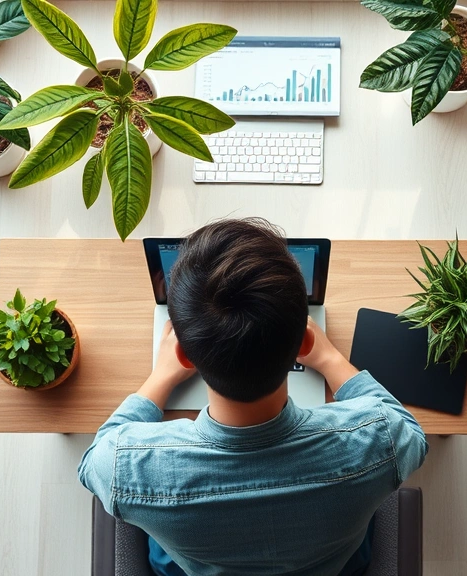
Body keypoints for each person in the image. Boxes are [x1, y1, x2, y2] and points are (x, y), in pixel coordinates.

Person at [79, 218, 428, 575]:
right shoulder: (376, 441)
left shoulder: (128, 467)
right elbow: (410, 431)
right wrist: (330, 359)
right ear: (304, 342)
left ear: (185, 355)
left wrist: (161, 377)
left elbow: (95, 459)